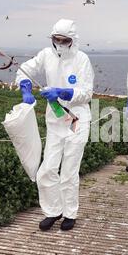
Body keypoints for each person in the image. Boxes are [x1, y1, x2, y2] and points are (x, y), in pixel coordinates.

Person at [15, 19, 94, 231]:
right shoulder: (45, 55)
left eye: (64, 40)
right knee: (47, 170)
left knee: (69, 171)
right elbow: (24, 70)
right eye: (55, 39)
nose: (59, 43)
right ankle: (53, 210)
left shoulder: (82, 59)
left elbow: (87, 93)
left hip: (76, 120)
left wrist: (61, 92)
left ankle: (70, 213)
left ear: (72, 40)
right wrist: (25, 89)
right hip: (55, 122)